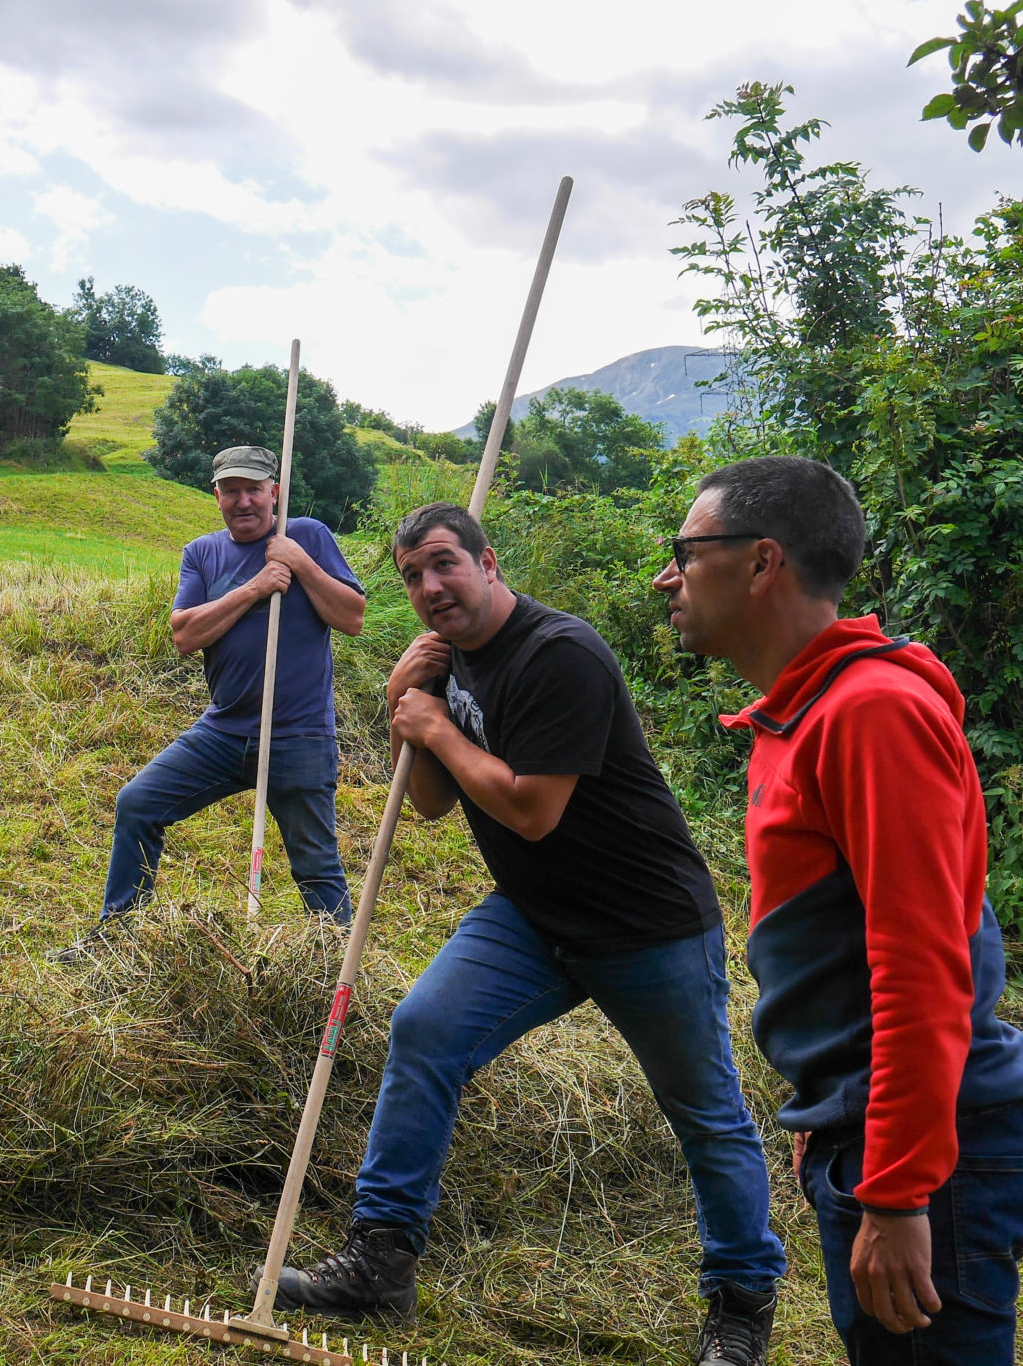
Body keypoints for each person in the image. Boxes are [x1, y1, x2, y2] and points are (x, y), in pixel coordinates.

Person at [270, 502, 786, 1366]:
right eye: (411, 576)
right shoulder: (448, 663)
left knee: (704, 1112)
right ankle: (381, 1259)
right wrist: (407, 697)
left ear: (488, 561)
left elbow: (531, 808)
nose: (431, 586)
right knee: (425, 1028)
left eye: (444, 563)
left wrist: (430, 722)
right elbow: (435, 802)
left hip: (645, 922)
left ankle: (741, 1305)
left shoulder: (562, 654)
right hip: (533, 915)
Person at [656, 456, 1023, 1363]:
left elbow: (925, 966)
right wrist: (829, 1112)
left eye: (685, 549)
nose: (668, 574)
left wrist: (896, 1189)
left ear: (761, 562)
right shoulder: (808, 711)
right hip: (867, 1126)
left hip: (933, 1158)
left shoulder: (869, 714)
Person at [46, 445, 366, 963]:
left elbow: (352, 617)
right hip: (222, 732)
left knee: (315, 862)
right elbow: (185, 634)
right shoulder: (202, 553)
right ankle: (116, 943)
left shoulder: (307, 535)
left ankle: (335, 976)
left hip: (298, 735)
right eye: (231, 490)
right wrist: (258, 586)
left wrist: (300, 565)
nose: (244, 501)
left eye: (254, 489)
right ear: (216, 495)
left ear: (274, 493)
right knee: (138, 804)